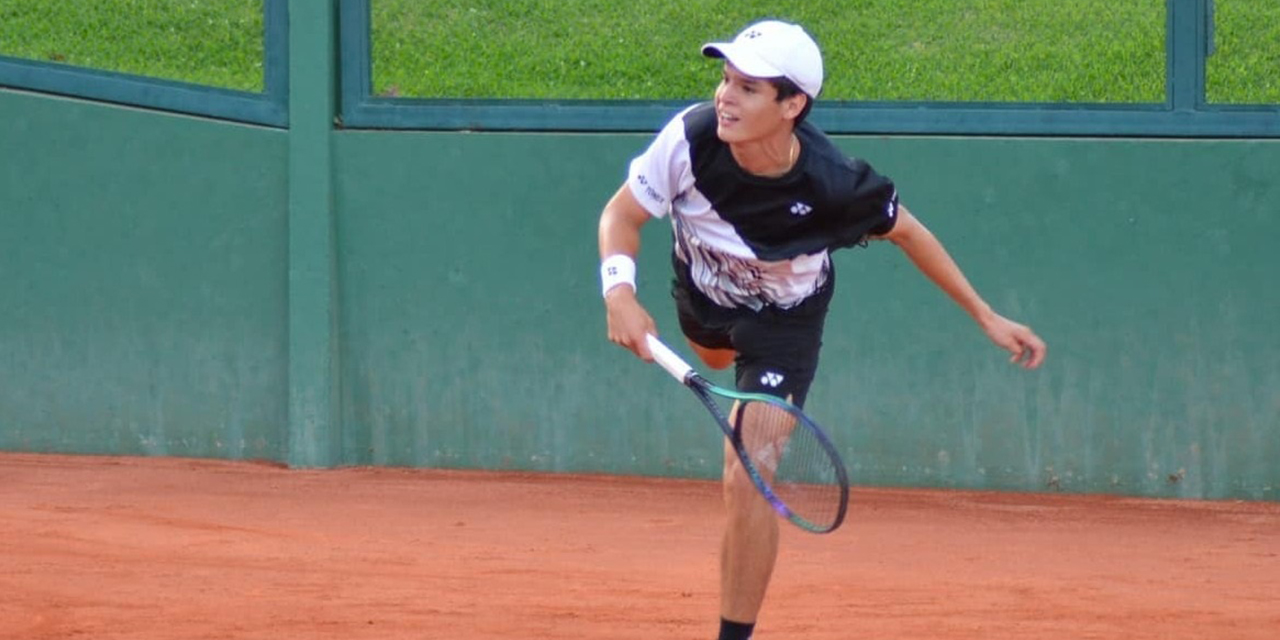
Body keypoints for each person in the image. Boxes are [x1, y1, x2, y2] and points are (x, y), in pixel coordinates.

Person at [596, 19, 1047, 640]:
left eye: (749, 88)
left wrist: (986, 315)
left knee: (750, 467)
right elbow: (622, 214)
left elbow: (910, 233)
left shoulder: (835, 184)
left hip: (786, 322)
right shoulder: (691, 138)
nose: (725, 96)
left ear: (792, 105)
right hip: (701, 298)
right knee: (716, 359)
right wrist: (618, 291)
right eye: (726, 80)